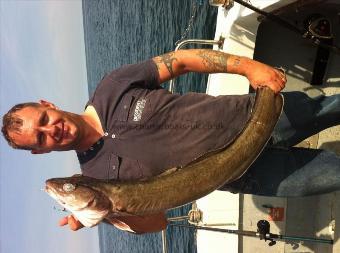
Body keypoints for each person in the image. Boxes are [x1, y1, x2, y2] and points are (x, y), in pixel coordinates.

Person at [2, 49, 340, 233]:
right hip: (247, 174)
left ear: (48, 105)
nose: (52, 130)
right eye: (41, 138)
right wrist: (105, 213)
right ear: (39, 150)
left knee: (333, 106)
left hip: (256, 114)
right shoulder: (95, 173)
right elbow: (158, 221)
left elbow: (179, 62)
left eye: (44, 120)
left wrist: (248, 68)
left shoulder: (111, 86)